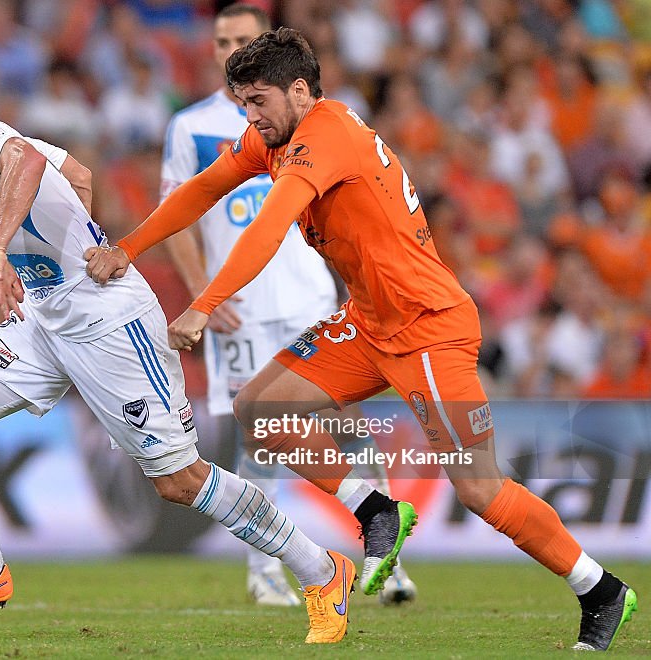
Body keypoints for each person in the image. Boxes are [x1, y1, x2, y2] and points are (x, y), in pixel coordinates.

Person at [86, 28, 637, 652]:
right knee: (259, 410)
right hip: (370, 323)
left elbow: (267, 228)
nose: (250, 116)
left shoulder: (325, 134)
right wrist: (125, 249)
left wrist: (203, 306)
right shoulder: (274, 135)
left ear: (299, 91)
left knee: (478, 487)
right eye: (243, 103)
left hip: (427, 327)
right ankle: (375, 510)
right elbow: (202, 190)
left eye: (259, 101)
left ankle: (599, 589)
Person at [0, 48, 412, 644]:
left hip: (109, 323)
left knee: (179, 481)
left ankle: (321, 570)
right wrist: (67, 243)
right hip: (45, 314)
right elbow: (76, 175)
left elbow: (28, 162)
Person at [160, 3, 415, 607]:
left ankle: (388, 559)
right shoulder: (191, 127)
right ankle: (266, 568)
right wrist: (204, 295)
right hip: (239, 307)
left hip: (309, 294)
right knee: (261, 435)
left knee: (344, 424)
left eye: (241, 39)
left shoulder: (319, 121)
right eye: (221, 39)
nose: (228, 48)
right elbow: (180, 215)